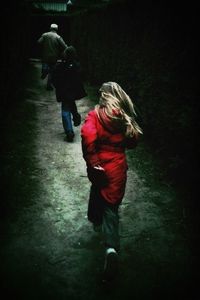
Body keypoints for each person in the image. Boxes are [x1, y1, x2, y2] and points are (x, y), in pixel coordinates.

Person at [81, 82, 143, 281]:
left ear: (103, 96)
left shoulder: (96, 115)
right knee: (112, 206)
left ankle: (95, 220)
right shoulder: (123, 116)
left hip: (99, 165)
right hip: (117, 167)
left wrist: (93, 161)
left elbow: (87, 136)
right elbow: (133, 141)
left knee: (97, 189)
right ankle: (110, 249)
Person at [52, 46, 87, 142]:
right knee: (70, 104)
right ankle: (76, 117)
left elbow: (54, 78)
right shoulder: (76, 65)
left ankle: (69, 131)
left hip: (64, 92)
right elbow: (81, 77)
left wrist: (58, 87)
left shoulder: (60, 66)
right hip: (72, 92)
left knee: (65, 110)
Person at [37, 23, 67, 90]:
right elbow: (64, 46)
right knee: (52, 72)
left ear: (50, 28)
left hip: (45, 56)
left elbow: (39, 42)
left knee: (45, 66)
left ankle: (44, 71)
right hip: (54, 57)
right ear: (57, 29)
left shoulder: (45, 35)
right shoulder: (58, 37)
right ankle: (48, 85)